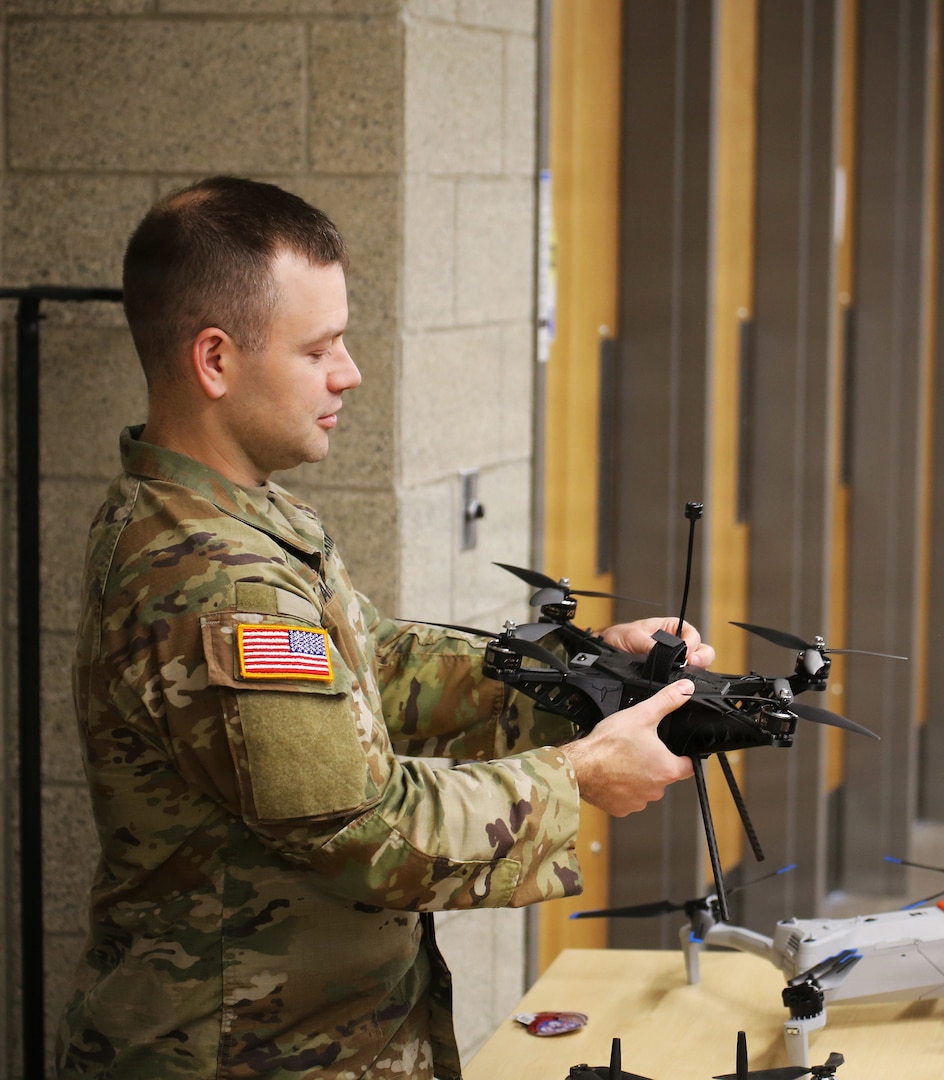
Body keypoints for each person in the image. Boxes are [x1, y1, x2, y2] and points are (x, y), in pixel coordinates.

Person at [58, 176, 713, 1079]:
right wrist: (579, 778)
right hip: (242, 1056)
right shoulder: (217, 580)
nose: (349, 372)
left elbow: (377, 660)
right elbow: (362, 833)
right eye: (320, 347)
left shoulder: (234, 517)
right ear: (215, 360)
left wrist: (581, 671)